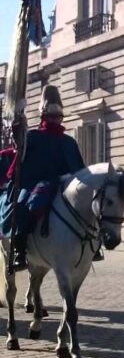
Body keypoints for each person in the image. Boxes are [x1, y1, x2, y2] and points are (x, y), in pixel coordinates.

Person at [0, 85, 87, 271]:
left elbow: (78, 170)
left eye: (58, 117)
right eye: (52, 117)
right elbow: (19, 149)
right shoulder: (32, 136)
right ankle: (20, 251)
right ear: (44, 117)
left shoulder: (69, 142)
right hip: (34, 184)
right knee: (23, 205)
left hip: (62, 184)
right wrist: (18, 123)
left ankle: (92, 247)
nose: (55, 120)